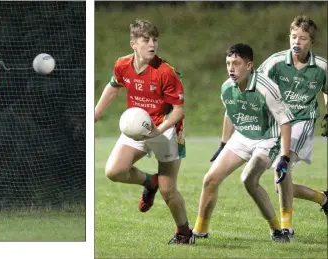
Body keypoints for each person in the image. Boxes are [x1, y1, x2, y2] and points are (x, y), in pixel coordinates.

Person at [93, 19, 192, 245]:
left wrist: (158, 130)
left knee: (169, 191)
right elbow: (113, 86)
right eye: (146, 40)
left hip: (166, 130)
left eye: (155, 40)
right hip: (136, 126)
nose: (152, 45)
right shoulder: (122, 65)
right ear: (133, 44)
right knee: (114, 171)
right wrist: (95, 113)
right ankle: (149, 182)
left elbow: (178, 111)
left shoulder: (166, 72)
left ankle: (184, 233)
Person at [194, 43, 294, 242]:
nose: (231, 68)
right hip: (242, 136)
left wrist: (284, 157)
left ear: (249, 66)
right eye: (228, 63)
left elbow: (285, 122)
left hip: (268, 139)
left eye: (236, 63)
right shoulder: (226, 87)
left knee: (248, 179)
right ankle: (199, 231)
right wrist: (223, 143)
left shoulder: (266, 88)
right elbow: (229, 112)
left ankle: (277, 230)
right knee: (210, 179)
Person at [254, 15, 328, 234]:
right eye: (294, 37)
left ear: (311, 42)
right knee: (281, 184)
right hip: (279, 124)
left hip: (303, 122)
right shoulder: (276, 62)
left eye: (303, 38)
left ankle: (286, 226)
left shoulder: (322, 66)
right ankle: (323, 198)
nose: (297, 42)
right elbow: (256, 83)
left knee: (281, 167)